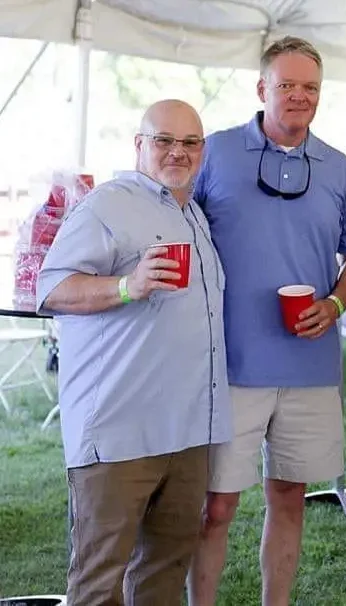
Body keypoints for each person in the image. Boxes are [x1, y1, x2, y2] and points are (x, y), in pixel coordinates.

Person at [187, 37, 346, 606]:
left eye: (310, 87)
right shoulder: (213, 153)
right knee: (216, 504)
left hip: (309, 367)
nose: (299, 96)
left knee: (288, 494)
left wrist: (336, 304)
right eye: (286, 85)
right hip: (230, 362)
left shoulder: (340, 168)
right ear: (261, 89)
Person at [37, 99, 231, 605]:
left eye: (190, 142)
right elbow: (52, 288)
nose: (177, 152)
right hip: (119, 432)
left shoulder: (191, 211)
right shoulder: (108, 205)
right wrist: (127, 286)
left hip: (185, 432)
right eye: (164, 140)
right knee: (100, 584)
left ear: (202, 150)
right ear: (140, 145)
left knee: (164, 575)